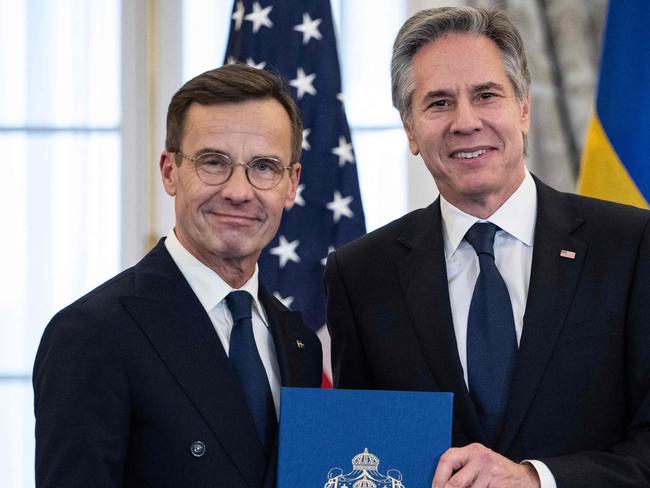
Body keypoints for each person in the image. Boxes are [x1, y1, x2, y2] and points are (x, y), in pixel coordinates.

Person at [325, 6, 650, 488]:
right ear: (411, 130)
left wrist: (536, 479)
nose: (465, 121)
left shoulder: (630, 245)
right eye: (438, 103)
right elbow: (362, 454)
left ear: (523, 108)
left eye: (486, 95)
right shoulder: (359, 274)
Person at [33, 64, 322, 487]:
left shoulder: (301, 345)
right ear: (170, 172)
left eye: (263, 167)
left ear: (291, 184)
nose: (238, 191)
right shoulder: (92, 334)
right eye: (213, 162)